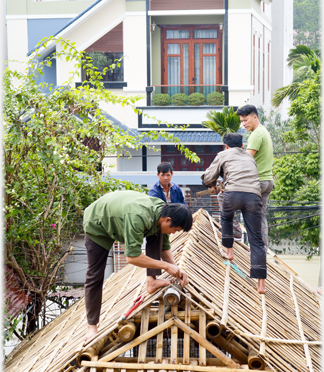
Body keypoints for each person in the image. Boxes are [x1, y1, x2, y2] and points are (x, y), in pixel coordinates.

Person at [83, 190, 192, 342]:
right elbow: (132, 257)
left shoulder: (161, 211)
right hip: (97, 222)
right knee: (95, 275)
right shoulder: (137, 218)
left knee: (158, 233)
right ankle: (92, 326)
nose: (173, 233)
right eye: (175, 230)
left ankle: (151, 281)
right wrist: (166, 267)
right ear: (168, 220)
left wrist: (178, 271)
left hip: (123, 216)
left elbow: (164, 249)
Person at [201, 133, 266, 294]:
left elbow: (209, 177)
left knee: (226, 217)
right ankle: (261, 285)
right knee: (256, 239)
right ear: (242, 146)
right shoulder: (250, 158)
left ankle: (229, 252)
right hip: (253, 196)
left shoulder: (223, 154)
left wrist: (210, 183)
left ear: (226, 146)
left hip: (233, 194)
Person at [236, 105, 274, 249]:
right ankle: (261, 249)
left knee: (228, 200)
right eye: (242, 121)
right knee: (260, 217)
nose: (243, 124)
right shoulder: (264, 131)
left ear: (255, 117)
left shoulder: (256, 134)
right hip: (267, 181)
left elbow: (245, 161)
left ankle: (235, 235)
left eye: (246, 120)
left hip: (257, 182)